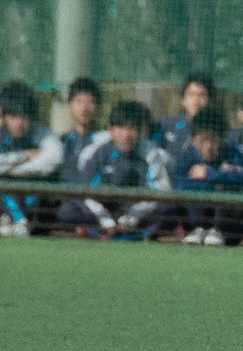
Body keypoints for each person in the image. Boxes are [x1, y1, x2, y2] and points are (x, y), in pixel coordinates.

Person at [58, 99, 171, 237]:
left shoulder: (150, 153)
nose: (126, 135)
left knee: (167, 209)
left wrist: (130, 219)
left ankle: (113, 235)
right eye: (121, 128)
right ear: (111, 130)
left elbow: (161, 191)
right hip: (104, 209)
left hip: (135, 209)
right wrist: (106, 221)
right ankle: (107, 233)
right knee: (68, 210)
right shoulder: (97, 152)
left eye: (132, 128)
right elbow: (87, 192)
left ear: (140, 130)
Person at [173, 106, 243, 245]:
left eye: (213, 140)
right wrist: (210, 180)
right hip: (195, 217)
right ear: (193, 139)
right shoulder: (186, 157)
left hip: (227, 224)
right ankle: (197, 230)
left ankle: (217, 231)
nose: (208, 146)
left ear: (222, 139)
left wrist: (210, 173)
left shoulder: (235, 155)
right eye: (203, 140)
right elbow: (178, 186)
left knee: (227, 191)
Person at [0, 80, 64, 236]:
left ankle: (17, 222)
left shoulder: (41, 134)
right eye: (13, 117)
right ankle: (15, 221)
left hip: (33, 198)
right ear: (4, 116)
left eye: (24, 117)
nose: (19, 123)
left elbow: (54, 159)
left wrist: (15, 170)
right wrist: (25, 155)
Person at [156, 72, 215, 159]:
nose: (196, 101)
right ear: (183, 100)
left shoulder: (216, 132)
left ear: (210, 100)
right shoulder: (166, 125)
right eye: (191, 95)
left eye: (202, 95)